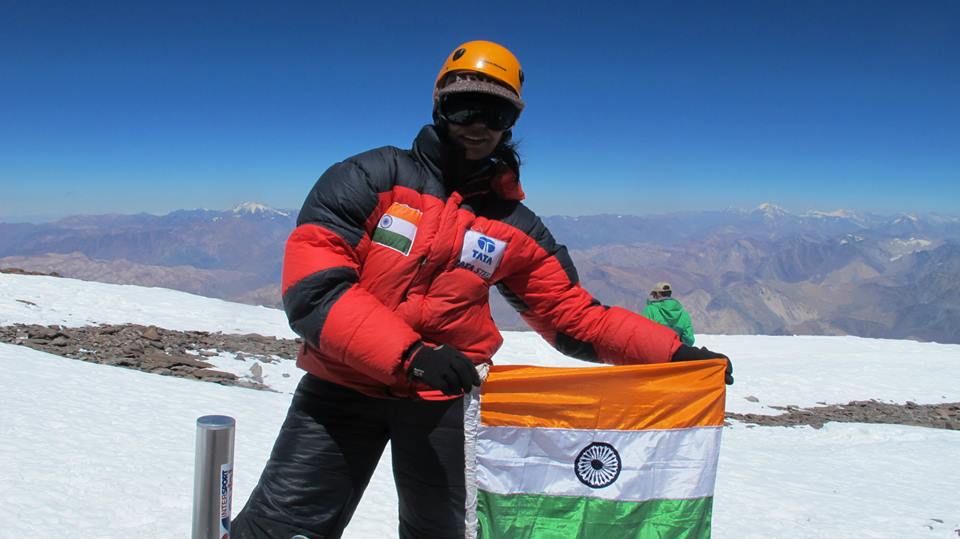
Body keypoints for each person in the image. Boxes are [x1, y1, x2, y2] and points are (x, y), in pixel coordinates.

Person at [231, 40, 732, 539]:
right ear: (438, 107)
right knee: (281, 528)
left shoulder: (514, 225)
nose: (478, 123)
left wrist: (674, 354)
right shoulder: (367, 177)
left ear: (511, 123)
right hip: (342, 384)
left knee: (447, 531)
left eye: (496, 113)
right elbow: (314, 292)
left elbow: (573, 317)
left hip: (444, 396)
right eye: (463, 105)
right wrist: (411, 355)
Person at [642, 281, 696, 346]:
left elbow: (642, 334)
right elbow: (689, 340)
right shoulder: (684, 314)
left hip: (654, 351)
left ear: (658, 294)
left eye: (654, 294)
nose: (653, 296)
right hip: (674, 353)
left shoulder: (650, 310)